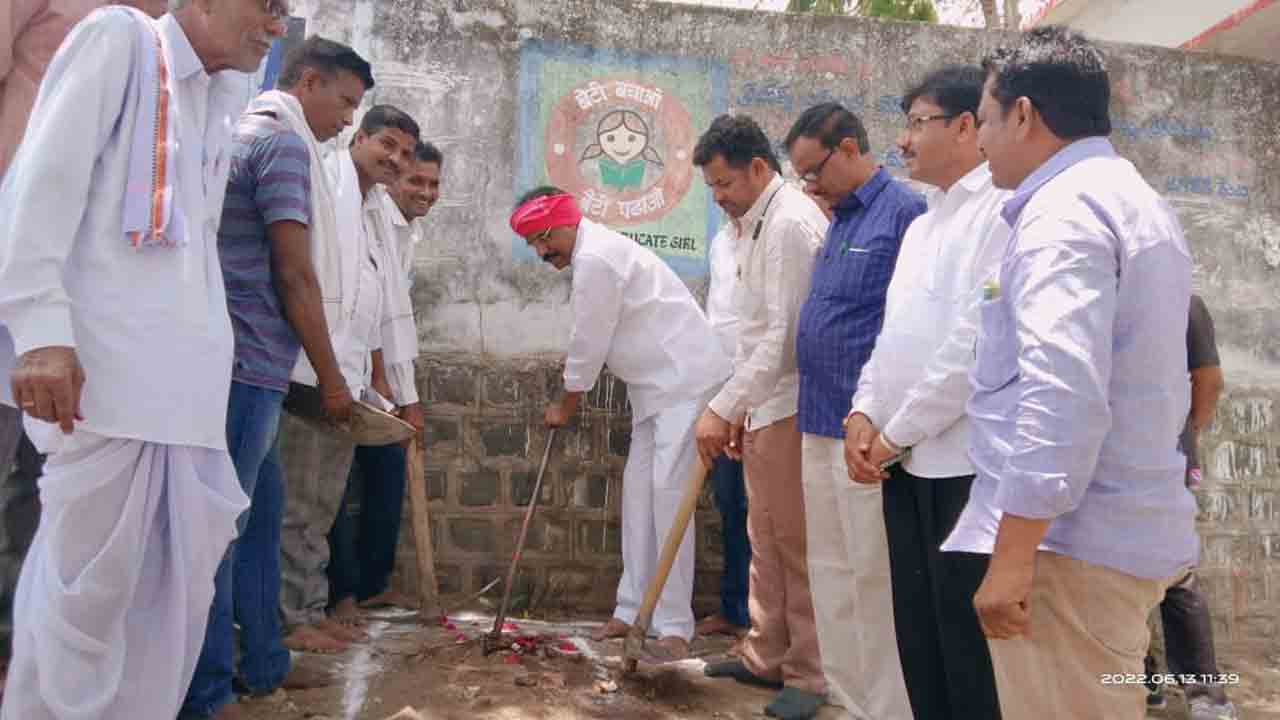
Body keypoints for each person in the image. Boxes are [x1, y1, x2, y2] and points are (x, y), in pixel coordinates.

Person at [0, 0, 284, 716]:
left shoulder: (224, 96)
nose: (278, 25)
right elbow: (36, 189)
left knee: (166, 609)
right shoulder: (119, 42)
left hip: (183, 400)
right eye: (269, 5)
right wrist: (39, 331)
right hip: (105, 384)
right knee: (82, 608)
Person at [944, 26, 1198, 720]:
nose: (983, 141)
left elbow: (1063, 393)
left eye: (989, 120)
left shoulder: (1063, 215)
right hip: (1106, 543)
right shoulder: (1128, 198)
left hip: (1067, 554)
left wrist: (1015, 553)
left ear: (1024, 114)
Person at [181, 36, 374, 720]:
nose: (348, 121)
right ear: (310, 80)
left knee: (259, 515)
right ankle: (205, 693)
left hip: (248, 359)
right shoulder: (283, 146)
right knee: (220, 529)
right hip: (248, 360)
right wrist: (331, 380)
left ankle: (263, 662)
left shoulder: (251, 133)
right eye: (345, 102)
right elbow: (296, 274)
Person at [0, 0, 169, 675]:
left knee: (59, 485)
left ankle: (32, 651)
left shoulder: (168, 34)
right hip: (20, 258)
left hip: (98, 292)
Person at [844, 65, 1008, 720]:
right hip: (906, 464)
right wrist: (864, 411)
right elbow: (895, 339)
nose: (904, 142)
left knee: (968, 648)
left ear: (967, 126)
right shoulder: (920, 226)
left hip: (967, 467)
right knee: (919, 634)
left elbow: (973, 348)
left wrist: (893, 432)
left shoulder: (1001, 211)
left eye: (918, 123)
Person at [517, 187, 730, 659]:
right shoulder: (593, 254)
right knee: (638, 497)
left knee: (670, 499)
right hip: (652, 390)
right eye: (532, 242)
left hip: (684, 382)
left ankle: (674, 625)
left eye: (541, 238)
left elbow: (588, 342)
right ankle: (632, 609)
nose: (538, 251)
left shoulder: (597, 259)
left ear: (564, 225)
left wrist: (565, 405)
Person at [785, 102, 925, 719]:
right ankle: (847, 701)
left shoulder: (905, 215)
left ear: (848, 149)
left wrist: (886, 424)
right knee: (831, 574)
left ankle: (889, 709)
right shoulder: (837, 219)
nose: (809, 186)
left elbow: (909, 330)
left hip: (867, 435)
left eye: (814, 171)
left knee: (875, 581)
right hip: (817, 420)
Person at [692, 115, 828, 720]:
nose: (718, 197)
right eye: (711, 187)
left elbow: (784, 337)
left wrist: (723, 408)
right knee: (764, 540)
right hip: (763, 406)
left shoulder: (791, 223)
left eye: (724, 183)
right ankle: (764, 654)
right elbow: (750, 334)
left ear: (758, 168)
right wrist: (740, 409)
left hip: (795, 403)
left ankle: (808, 672)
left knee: (796, 546)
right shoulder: (751, 225)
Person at [276, 104, 419, 650]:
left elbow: (385, 309)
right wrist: (331, 376)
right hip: (311, 375)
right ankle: (294, 621)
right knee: (298, 508)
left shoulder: (376, 211)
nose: (395, 159)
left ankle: (307, 612)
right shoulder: (326, 181)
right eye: (386, 144)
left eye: (404, 153)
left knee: (321, 506)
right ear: (358, 138)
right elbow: (302, 277)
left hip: (346, 381)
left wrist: (389, 388)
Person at [327, 140, 443, 617]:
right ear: (393, 179)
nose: (426, 192)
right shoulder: (373, 221)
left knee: (385, 474)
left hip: (378, 379)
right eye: (416, 180)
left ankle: (372, 584)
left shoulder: (405, 233)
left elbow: (394, 315)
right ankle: (340, 595)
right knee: (332, 488)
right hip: (349, 372)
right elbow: (375, 312)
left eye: (434, 183)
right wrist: (387, 382)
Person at [1144, 295, 1235, 720]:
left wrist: (1185, 436)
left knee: (1177, 576)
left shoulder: (1184, 303)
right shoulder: (1095, 293)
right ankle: (1145, 683)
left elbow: (1208, 381)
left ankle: (1205, 693)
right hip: (1105, 464)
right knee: (1113, 573)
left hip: (1168, 461)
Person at [694, 222, 752, 643]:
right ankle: (736, 610)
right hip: (723, 389)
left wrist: (745, 396)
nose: (720, 196)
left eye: (726, 184)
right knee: (732, 503)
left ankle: (772, 623)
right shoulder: (721, 242)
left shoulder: (778, 232)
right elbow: (722, 320)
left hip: (767, 393)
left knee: (770, 515)